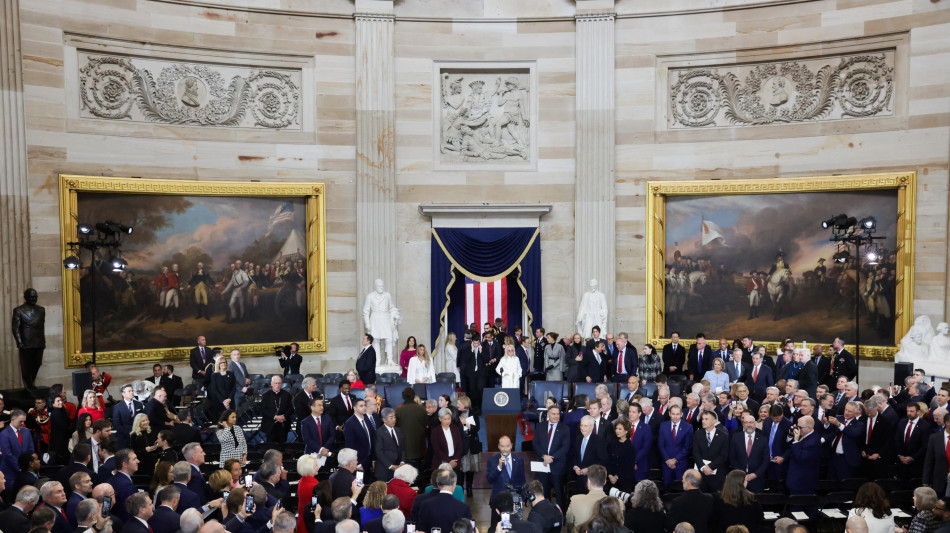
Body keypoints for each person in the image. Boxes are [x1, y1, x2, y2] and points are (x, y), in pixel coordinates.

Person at [414, 469, 472, 533]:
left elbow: (421, 529)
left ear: (438, 484)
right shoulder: (463, 507)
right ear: (454, 484)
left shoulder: (425, 505)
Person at [565, 464, 608, 533]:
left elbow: (569, 521)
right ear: (605, 482)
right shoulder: (615, 503)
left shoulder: (575, 500)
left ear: (588, 481)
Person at [693, 410, 728, 492]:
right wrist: (703, 467)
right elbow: (695, 453)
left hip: (717, 474)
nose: (703, 421)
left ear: (714, 421)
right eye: (702, 419)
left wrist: (710, 467)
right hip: (701, 473)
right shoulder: (698, 433)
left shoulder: (723, 436)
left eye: (706, 419)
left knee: (717, 497)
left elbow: (724, 455)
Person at [572, 415, 606, 492]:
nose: (582, 428)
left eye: (585, 426)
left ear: (592, 427)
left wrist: (589, 469)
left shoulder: (599, 441)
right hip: (579, 478)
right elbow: (575, 456)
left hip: (593, 479)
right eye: (581, 425)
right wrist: (575, 467)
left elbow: (602, 460)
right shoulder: (578, 439)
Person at [0, 410, 33, 486]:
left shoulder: (26, 431)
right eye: (20, 421)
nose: (23, 423)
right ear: (13, 420)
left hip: (25, 472)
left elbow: (31, 450)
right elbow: (7, 455)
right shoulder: (4, 434)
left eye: (24, 421)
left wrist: (29, 466)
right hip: (10, 472)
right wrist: (21, 468)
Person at [374, 407, 405, 482]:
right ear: (384, 420)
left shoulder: (398, 430)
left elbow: (402, 448)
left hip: (398, 469)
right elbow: (378, 452)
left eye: (394, 417)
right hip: (384, 470)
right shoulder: (379, 432)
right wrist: (390, 466)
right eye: (391, 418)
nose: (394, 419)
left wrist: (402, 462)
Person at [606, 418, 637, 492]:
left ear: (626, 431)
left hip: (624, 482)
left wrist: (616, 477)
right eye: (616, 428)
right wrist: (610, 475)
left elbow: (628, 467)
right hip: (611, 480)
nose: (617, 431)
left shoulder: (630, 447)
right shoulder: (612, 444)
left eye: (620, 429)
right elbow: (608, 461)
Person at [260, 376, 293, 444]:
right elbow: (263, 410)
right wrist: (275, 417)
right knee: (271, 445)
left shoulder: (287, 395)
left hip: (283, 423)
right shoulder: (266, 395)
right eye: (275, 383)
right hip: (270, 423)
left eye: (279, 383)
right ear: (271, 384)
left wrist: (284, 416)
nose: (277, 385)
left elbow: (291, 409)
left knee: (283, 444)